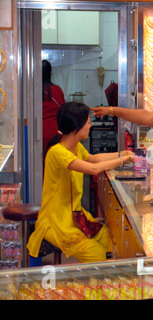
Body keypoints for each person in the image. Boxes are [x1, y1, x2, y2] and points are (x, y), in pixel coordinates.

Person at [27, 102, 135, 263]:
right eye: (88, 122)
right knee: (101, 257)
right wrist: (123, 159)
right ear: (76, 127)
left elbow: (92, 159)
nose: (90, 125)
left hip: (76, 217)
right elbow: (93, 169)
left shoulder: (74, 146)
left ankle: (99, 282)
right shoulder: (58, 152)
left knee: (109, 239)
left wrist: (122, 152)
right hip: (57, 222)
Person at [42, 59, 66, 153]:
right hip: (55, 132)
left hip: (37, 131)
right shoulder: (57, 90)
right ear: (50, 72)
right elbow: (63, 110)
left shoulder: (32, 91)